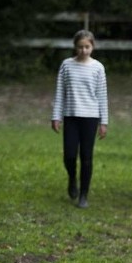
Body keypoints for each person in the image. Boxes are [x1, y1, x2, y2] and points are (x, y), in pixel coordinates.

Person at [51, 30, 108, 209]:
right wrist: (56, 116)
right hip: (71, 116)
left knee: (86, 156)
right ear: (75, 47)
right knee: (69, 155)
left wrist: (103, 122)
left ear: (92, 47)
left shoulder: (98, 67)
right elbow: (60, 92)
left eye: (87, 47)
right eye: (80, 47)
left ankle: (83, 194)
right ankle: (71, 178)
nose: (83, 50)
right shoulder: (66, 65)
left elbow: (102, 95)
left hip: (90, 117)